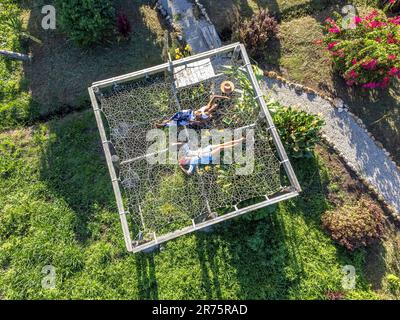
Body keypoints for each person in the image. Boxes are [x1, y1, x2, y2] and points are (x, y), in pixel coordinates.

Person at [155, 94, 231, 128]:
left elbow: (201, 123)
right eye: (215, 105)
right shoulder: (207, 107)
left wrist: (194, 121)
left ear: (215, 109)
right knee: (177, 115)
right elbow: (214, 96)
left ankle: (163, 125)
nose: (214, 106)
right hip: (189, 113)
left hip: (190, 120)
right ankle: (166, 122)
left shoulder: (209, 116)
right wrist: (224, 97)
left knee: (176, 123)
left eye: (215, 107)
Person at [178, 138, 245, 175]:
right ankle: (239, 143)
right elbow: (189, 172)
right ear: (185, 163)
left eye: (182, 158)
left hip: (208, 148)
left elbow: (184, 145)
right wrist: (181, 167)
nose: (183, 158)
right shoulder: (192, 162)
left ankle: (240, 140)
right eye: (183, 161)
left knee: (222, 145)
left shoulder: (189, 152)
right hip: (208, 156)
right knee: (221, 148)